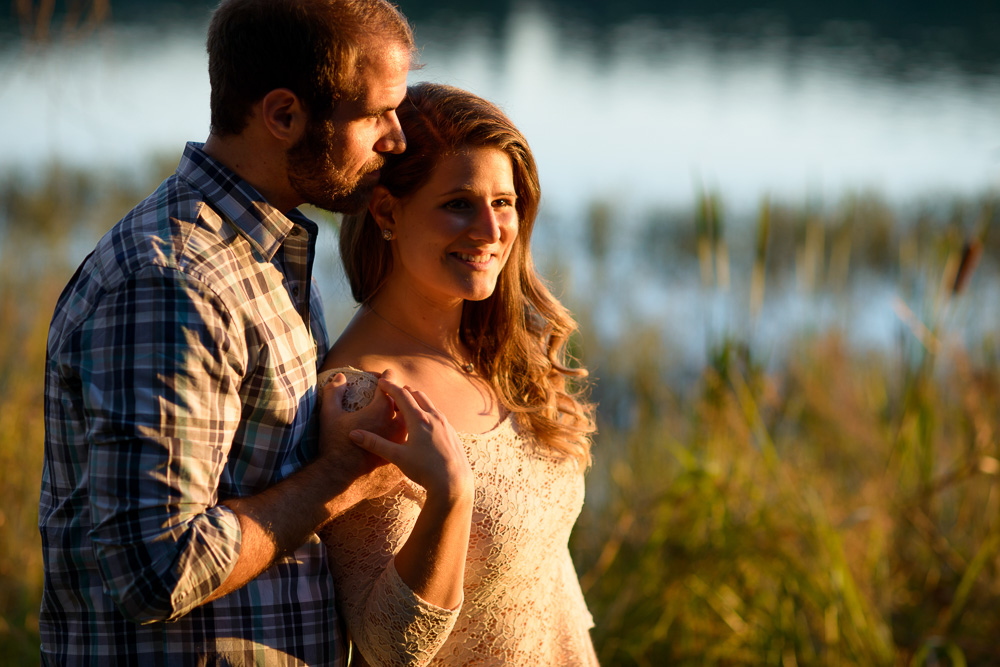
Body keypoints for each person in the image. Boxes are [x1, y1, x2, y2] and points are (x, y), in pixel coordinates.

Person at [39, 1, 427, 663]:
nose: (397, 139)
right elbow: (159, 568)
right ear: (282, 115)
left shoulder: (261, 253)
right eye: (375, 115)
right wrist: (345, 478)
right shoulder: (174, 282)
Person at [318, 82, 600, 665]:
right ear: (388, 211)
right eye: (458, 204)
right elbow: (387, 647)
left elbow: (547, 580)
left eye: (504, 202)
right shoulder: (365, 397)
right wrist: (450, 494)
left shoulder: (498, 352)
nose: (491, 231)